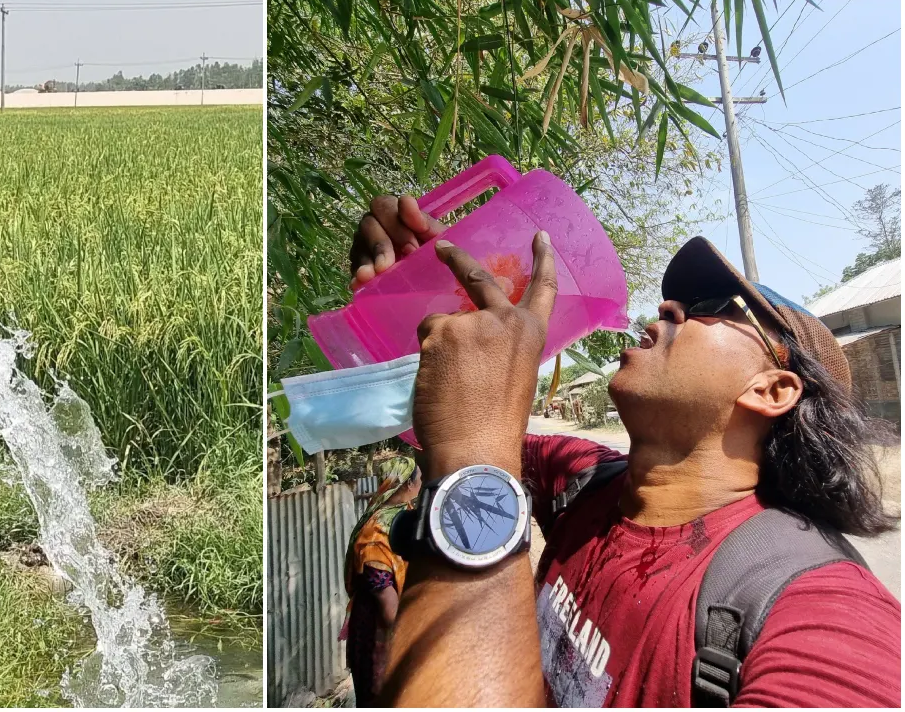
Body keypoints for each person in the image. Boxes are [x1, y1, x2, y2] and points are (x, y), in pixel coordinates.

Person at [348, 195, 901, 707]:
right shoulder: (586, 479)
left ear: (773, 389)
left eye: (712, 305)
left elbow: (469, 444)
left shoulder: (824, 615)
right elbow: (452, 420)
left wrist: (474, 464)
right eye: (677, 299)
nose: (667, 307)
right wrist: (429, 305)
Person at [340, 458, 420, 707]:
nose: (421, 483)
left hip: (398, 620)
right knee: (382, 697)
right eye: (418, 478)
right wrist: (410, 641)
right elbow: (386, 602)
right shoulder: (376, 532)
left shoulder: (404, 514)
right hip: (378, 631)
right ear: (407, 485)